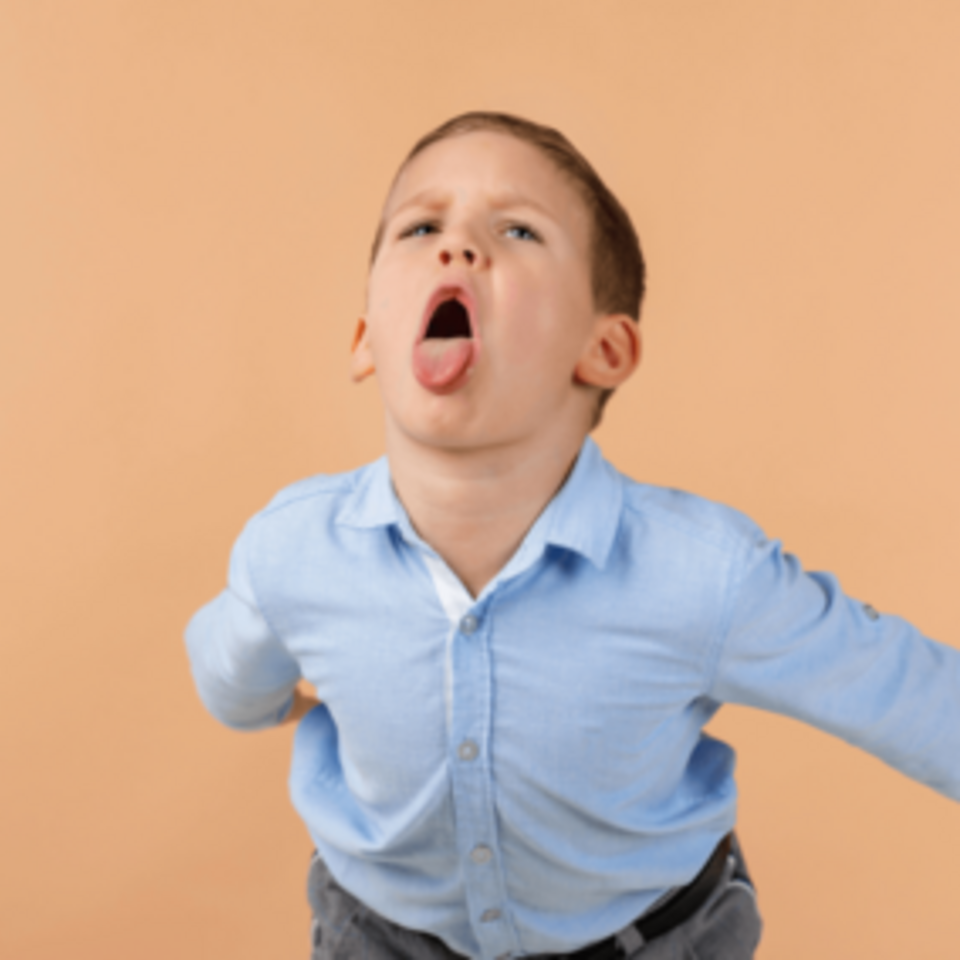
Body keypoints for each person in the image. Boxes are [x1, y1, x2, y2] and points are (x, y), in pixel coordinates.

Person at [184, 112, 960, 960]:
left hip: (655, 939)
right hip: (380, 937)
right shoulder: (294, 553)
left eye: (517, 230)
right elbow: (230, 679)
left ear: (605, 348)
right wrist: (282, 700)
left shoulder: (702, 575)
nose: (458, 247)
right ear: (368, 339)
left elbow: (912, 696)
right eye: (421, 227)